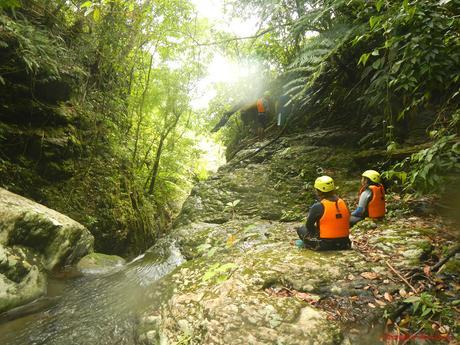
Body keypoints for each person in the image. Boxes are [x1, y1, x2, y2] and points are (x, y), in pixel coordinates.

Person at [296, 176, 351, 250]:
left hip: (325, 245)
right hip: (345, 243)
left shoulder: (318, 206)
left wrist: (317, 233)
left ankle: (312, 244)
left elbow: (309, 225)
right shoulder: (343, 203)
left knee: (301, 229)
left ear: (320, 191)